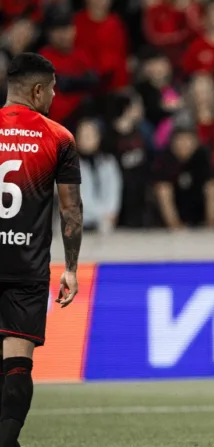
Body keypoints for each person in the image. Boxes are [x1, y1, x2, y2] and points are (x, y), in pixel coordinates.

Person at [0, 53, 83, 447]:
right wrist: (70, 268)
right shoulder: (59, 137)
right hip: (26, 268)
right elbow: (71, 211)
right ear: (37, 90)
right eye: (51, 87)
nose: (54, 93)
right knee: (17, 364)